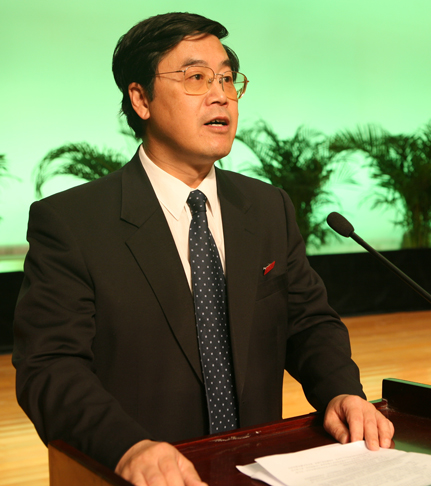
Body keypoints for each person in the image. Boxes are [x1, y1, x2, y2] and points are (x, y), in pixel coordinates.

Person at [13, 12, 393, 486]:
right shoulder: (73, 222)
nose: (221, 95)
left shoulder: (266, 207)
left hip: (257, 470)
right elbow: (50, 366)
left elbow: (308, 322)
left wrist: (341, 392)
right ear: (141, 99)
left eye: (228, 79)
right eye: (196, 78)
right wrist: (126, 447)